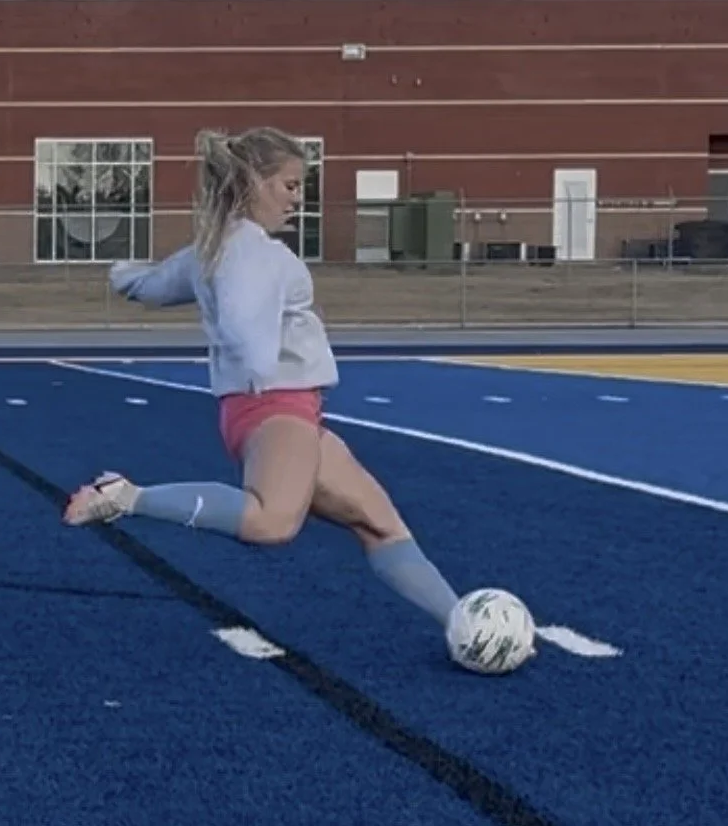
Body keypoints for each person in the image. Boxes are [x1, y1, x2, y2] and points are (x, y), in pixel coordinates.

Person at [63, 126, 461, 634]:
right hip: (276, 406)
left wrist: (124, 277)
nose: (298, 199)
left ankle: (458, 621)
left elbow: (157, 286)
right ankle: (125, 495)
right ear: (252, 182)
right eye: (290, 186)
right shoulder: (253, 254)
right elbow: (243, 323)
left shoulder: (213, 249)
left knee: (379, 524)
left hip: (280, 408)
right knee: (271, 522)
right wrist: (254, 358)